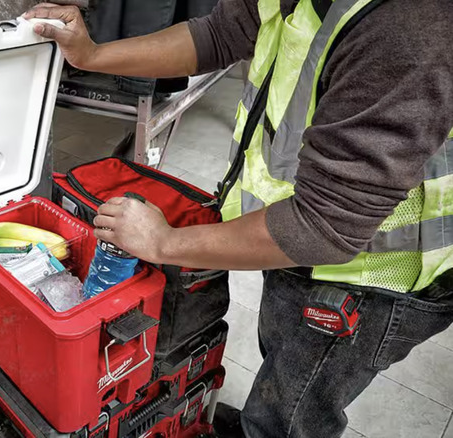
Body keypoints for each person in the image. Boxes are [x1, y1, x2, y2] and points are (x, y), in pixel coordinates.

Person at [24, 1, 453, 437]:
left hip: (371, 279)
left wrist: (165, 242)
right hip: (294, 246)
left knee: (293, 414)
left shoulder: (408, 26)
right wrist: (93, 55)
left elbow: (324, 227)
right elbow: (219, 34)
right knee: (283, 364)